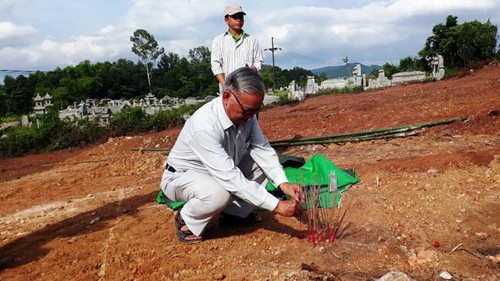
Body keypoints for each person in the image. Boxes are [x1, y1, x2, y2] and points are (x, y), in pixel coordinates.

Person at [160, 67, 303, 243]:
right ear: (227, 97)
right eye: (247, 111)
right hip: (181, 177)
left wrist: (283, 183)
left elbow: (262, 149)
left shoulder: (246, 116)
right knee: (218, 194)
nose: (251, 117)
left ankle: (233, 215)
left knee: (260, 166)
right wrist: (277, 205)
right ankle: (186, 220)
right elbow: (230, 177)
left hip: (219, 170)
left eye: (256, 111)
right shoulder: (204, 126)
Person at [211, 3, 264, 94]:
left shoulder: (252, 40)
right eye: (235, 17)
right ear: (226, 20)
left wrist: (253, 69)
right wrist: (225, 86)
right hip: (227, 91)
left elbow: (259, 61)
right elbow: (216, 65)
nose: (239, 19)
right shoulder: (219, 41)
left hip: (248, 89)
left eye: (241, 17)